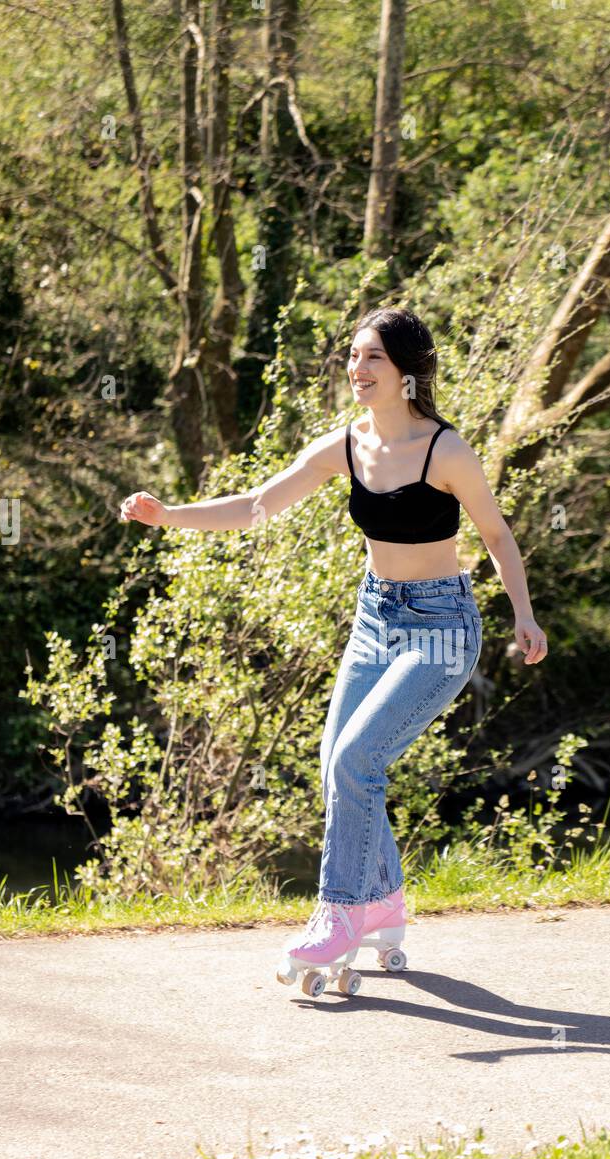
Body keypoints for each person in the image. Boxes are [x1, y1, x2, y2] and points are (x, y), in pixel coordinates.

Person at [120, 306, 547, 996]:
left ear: (407, 372)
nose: (357, 369)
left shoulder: (446, 450)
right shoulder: (346, 445)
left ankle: (339, 912)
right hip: (376, 619)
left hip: (441, 627)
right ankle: (381, 903)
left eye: (372, 357)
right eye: (352, 356)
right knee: (336, 766)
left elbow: (496, 535)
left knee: (357, 759)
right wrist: (169, 516)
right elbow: (259, 503)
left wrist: (523, 615)